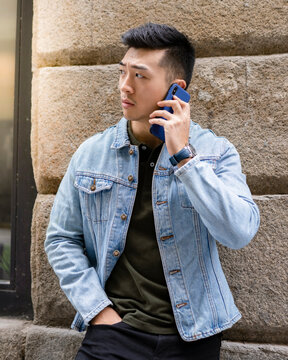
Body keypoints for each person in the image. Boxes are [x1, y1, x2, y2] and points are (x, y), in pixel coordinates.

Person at [45, 23, 260, 360]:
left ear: (176, 89)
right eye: (122, 72)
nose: (124, 87)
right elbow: (60, 239)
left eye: (140, 76)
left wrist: (184, 159)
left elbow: (239, 232)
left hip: (194, 334)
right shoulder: (91, 154)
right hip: (114, 333)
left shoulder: (216, 152)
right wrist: (99, 312)